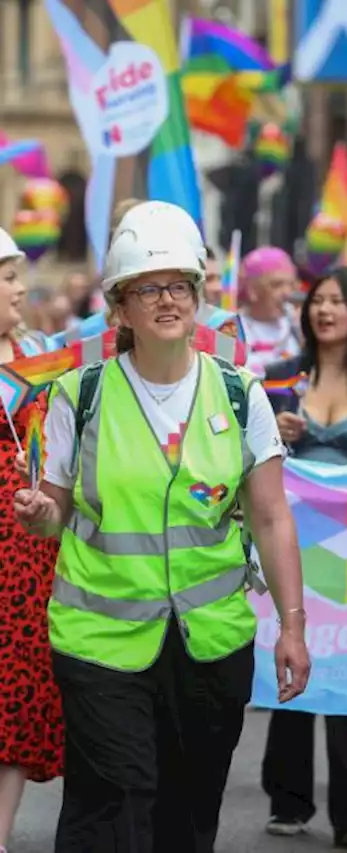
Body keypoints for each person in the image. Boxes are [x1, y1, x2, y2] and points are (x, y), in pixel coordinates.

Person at [15, 201, 310, 852]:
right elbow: (56, 510)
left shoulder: (241, 394)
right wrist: (43, 513)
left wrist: (293, 625)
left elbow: (269, 514)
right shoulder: (78, 396)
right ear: (119, 308)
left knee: (189, 810)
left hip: (210, 644)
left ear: (200, 295)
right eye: (147, 287)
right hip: (100, 644)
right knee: (118, 798)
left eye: (179, 283)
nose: (167, 298)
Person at [260, 267, 347, 848]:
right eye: (318, 301)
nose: (325, 310)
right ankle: (287, 799)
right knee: (291, 656)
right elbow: (249, 457)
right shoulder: (281, 380)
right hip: (293, 544)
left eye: (337, 301)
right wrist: (274, 432)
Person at [0, 227, 63, 853]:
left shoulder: (38, 352)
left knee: (15, 689)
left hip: (25, 541)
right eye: (9, 276)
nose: (21, 287)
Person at [239, 247, 302, 375]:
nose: (287, 293)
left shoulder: (296, 328)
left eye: (291, 285)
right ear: (252, 289)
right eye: (277, 285)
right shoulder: (235, 327)